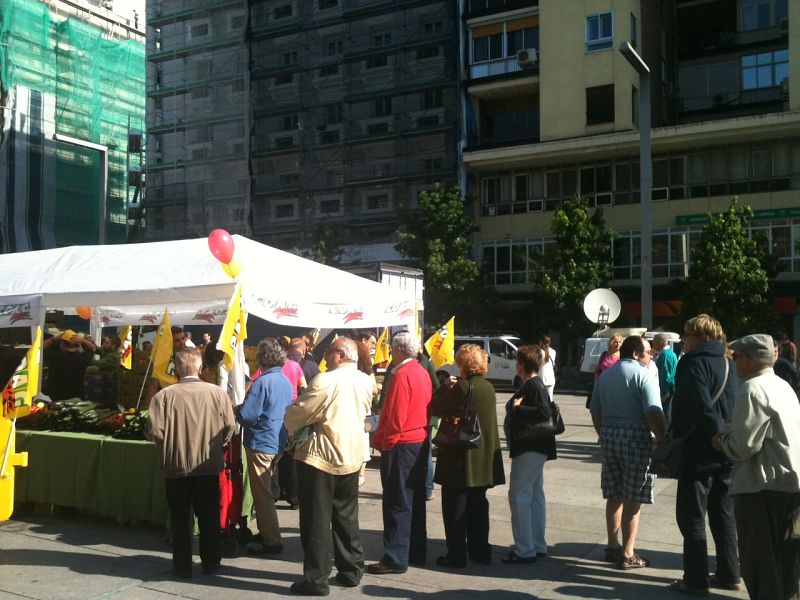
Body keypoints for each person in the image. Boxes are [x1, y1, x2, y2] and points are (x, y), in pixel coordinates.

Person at [713, 334, 800, 600]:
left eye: (738, 357)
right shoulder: (783, 385)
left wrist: (721, 441)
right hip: (790, 481)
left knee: (760, 561)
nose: (735, 362)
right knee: (787, 560)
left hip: (761, 485)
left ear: (750, 360)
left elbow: (743, 445)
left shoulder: (752, 389)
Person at [284, 337, 373, 596]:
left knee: (316, 521)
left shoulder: (326, 380)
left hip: (321, 457)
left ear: (341, 355)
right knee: (346, 517)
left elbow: (298, 413)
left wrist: (293, 416)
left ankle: (316, 580)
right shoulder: (365, 380)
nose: (325, 356)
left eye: (329, 351)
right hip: (351, 455)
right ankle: (352, 570)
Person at [146, 348, 235, 578]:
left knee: (179, 518)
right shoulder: (217, 394)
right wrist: (218, 444)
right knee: (209, 515)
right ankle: (211, 561)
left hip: (176, 466)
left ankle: (182, 566)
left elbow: (154, 432)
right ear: (200, 368)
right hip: (208, 465)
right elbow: (229, 427)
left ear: (176, 369)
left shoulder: (163, 397)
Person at [669, 314, 740, 596]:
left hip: (700, 449)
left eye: (686, 335)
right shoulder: (729, 362)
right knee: (724, 515)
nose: (683, 340)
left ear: (699, 337)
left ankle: (696, 580)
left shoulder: (692, 363)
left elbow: (701, 406)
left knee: (692, 517)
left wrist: (715, 435)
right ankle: (729, 573)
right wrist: (726, 440)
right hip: (727, 450)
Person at [590, 335, 665, 570]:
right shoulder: (644, 375)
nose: (650, 356)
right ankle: (627, 553)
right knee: (633, 498)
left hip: (609, 437)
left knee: (614, 495)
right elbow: (653, 412)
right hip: (636, 439)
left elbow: (595, 410)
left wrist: (603, 434)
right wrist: (662, 438)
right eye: (648, 352)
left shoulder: (605, 376)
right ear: (635, 353)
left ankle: (612, 546)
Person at [430, 343, 505, 568]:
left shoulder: (463, 387)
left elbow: (437, 406)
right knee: (478, 507)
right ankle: (480, 550)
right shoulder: (488, 387)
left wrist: (444, 387)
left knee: (455, 507)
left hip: (461, 457)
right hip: (482, 457)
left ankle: (456, 555)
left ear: (463, 365)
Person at [367, 331, 432, 575]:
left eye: (392, 349)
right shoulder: (421, 371)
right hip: (417, 440)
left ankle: (395, 558)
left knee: (397, 501)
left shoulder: (402, 375)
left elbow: (395, 415)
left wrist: (385, 442)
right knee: (414, 500)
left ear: (399, 350)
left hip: (402, 443)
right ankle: (415, 551)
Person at [235, 338, 294, 555]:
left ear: (262, 359)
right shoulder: (284, 381)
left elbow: (248, 416)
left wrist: (236, 409)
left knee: (262, 494)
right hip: (276, 441)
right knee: (265, 490)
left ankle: (272, 540)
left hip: (262, 442)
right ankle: (267, 531)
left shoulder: (262, 382)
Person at [503, 344, 556, 564]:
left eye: (518, 362)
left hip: (529, 447)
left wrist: (518, 408)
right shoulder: (534, 384)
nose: (516, 365)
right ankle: (536, 544)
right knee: (533, 494)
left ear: (523, 365)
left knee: (519, 495)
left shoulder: (533, 385)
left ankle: (525, 548)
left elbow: (544, 412)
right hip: (536, 447)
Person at [42, 330, 97, 400]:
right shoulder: (83, 358)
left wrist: (54, 339)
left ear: (62, 344)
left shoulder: (54, 357)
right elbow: (93, 348)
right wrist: (82, 339)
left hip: (55, 396)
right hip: (77, 395)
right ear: (78, 345)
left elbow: (39, 348)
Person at [652, 334, 678, 420]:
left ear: (660, 342)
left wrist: (663, 394)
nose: (653, 344)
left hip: (667, 391)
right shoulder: (670, 353)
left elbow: (665, 376)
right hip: (669, 389)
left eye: (654, 341)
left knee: (666, 416)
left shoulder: (665, 355)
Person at [538, 334, 556, 400]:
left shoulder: (539, 352)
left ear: (540, 342)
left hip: (541, 380)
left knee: (540, 400)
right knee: (550, 400)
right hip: (550, 379)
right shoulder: (553, 352)